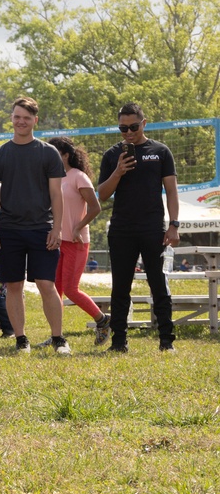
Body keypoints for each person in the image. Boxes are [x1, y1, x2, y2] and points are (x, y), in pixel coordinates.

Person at [0, 97, 68, 355]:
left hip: (43, 229)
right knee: (14, 285)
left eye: (27, 118)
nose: (21, 121)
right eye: (17, 116)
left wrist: (57, 228)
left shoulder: (48, 152)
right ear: (12, 117)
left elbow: (57, 194)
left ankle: (58, 339)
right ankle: (21, 340)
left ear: (35, 121)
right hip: (8, 229)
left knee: (46, 284)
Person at [97, 102, 179, 353]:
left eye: (133, 127)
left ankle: (167, 341)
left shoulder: (161, 151)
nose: (129, 133)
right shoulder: (112, 155)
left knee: (158, 283)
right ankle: (118, 342)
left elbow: (172, 191)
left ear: (144, 123)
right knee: (120, 286)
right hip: (121, 229)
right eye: (123, 128)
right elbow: (101, 194)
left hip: (153, 228)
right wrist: (118, 172)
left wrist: (174, 225)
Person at [46, 136, 110, 346]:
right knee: (55, 289)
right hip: (57, 241)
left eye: (54, 152)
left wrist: (78, 227)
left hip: (76, 241)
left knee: (71, 289)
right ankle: (57, 336)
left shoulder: (78, 177)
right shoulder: (52, 177)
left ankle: (102, 321)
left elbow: (96, 207)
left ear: (65, 155)